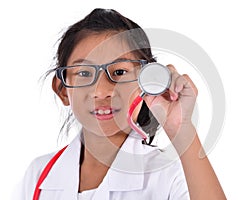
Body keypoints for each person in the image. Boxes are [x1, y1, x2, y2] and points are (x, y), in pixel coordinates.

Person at [15, 8, 226, 200]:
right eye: (84, 73)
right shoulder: (39, 175)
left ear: (148, 82)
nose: (102, 91)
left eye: (119, 72)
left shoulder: (174, 175)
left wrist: (182, 129)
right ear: (62, 90)